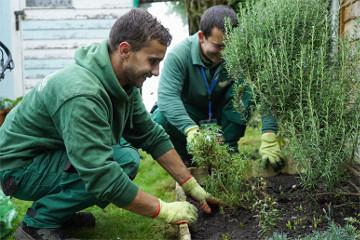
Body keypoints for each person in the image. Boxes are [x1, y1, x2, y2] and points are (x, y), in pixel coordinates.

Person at [0, 9, 218, 240]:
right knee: (117, 166)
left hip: (47, 155)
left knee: (126, 157)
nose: (156, 72)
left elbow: (150, 134)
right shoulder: (82, 94)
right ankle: (37, 225)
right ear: (125, 50)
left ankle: (58, 212)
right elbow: (102, 177)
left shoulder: (123, 82)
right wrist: (163, 209)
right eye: (152, 61)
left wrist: (190, 184)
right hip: (19, 169)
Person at [152, 5, 284, 170]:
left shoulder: (243, 51)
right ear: (201, 37)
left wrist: (269, 133)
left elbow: (266, 88)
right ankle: (189, 159)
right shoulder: (179, 55)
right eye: (218, 46)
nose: (225, 53)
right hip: (192, 114)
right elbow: (167, 97)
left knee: (248, 89)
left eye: (230, 45)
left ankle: (228, 150)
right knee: (160, 118)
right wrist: (190, 129)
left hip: (223, 111)